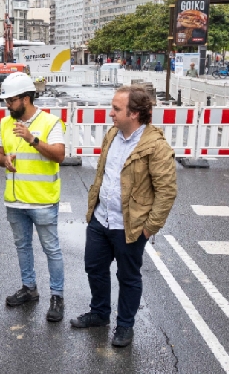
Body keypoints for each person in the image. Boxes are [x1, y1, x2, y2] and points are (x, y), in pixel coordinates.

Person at [70, 86, 177, 348]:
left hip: (130, 225)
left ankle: (125, 326)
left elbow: (167, 190)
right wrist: (94, 207)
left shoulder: (156, 147)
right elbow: (103, 175)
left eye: (116, 109)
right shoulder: (112, 134)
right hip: (101, 219)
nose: (111, 113)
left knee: (128, 277)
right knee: (94, 268)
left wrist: (150, 227)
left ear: (135, 114)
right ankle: (99, 313)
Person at [0, 73, 67, 322]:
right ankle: (29, 288)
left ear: (26, 98)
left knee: (51, 250)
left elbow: (59, 155)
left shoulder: (51, 122)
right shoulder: (5, 123)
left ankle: (57, 295)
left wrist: (32, 139)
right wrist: (4, 160)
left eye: (11, 100)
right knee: (22, 247)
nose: (7, 105)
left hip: (42, 200)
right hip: (14, 201)